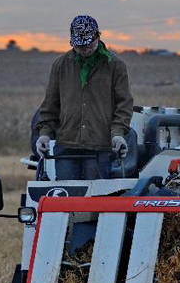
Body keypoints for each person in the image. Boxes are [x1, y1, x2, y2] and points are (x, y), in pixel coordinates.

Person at [35, 15, 133, 180]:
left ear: (97, 37)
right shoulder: (61, 65)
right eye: (80, 45)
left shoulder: (116, 66)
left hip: (99, 146)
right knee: (66, 199)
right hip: (66, 145)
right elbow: (50, 104)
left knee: (95, 201)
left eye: (88, 44)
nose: (85, 49)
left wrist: (117, 134)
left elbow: (123, 105)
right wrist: (44, 134)